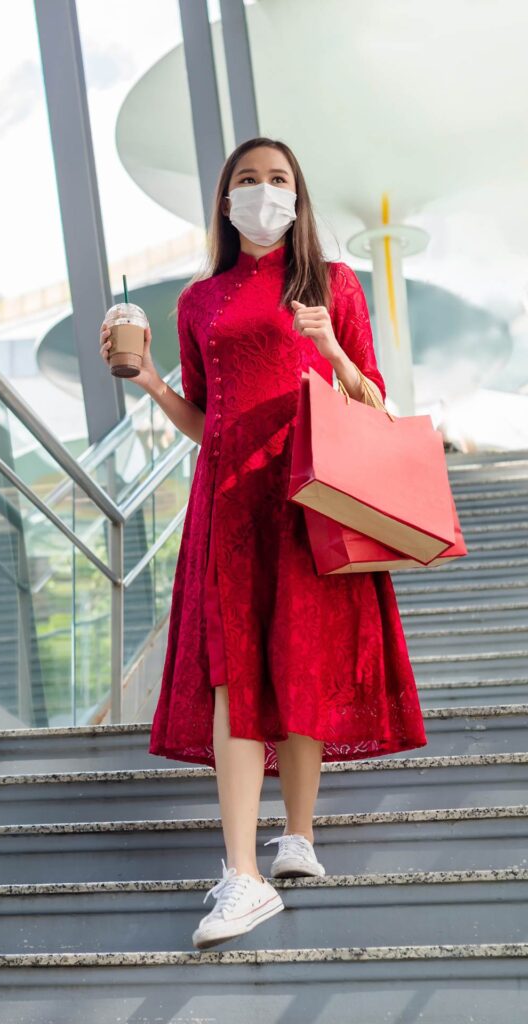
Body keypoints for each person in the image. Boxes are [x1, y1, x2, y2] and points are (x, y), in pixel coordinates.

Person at [99, 136, 428, 951]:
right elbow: (205, 420)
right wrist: (149, 384)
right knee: (234, 675)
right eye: (247, 180)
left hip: (307, 492)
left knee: (301, 656)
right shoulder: (198, 301)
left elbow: (374, 401)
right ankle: (243, 872)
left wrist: (332, 348)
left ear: (298, 196)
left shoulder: (333, 284)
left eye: (277, 180)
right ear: (224, 200)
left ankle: (300, 836)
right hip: (228, 503)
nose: (262, 192)